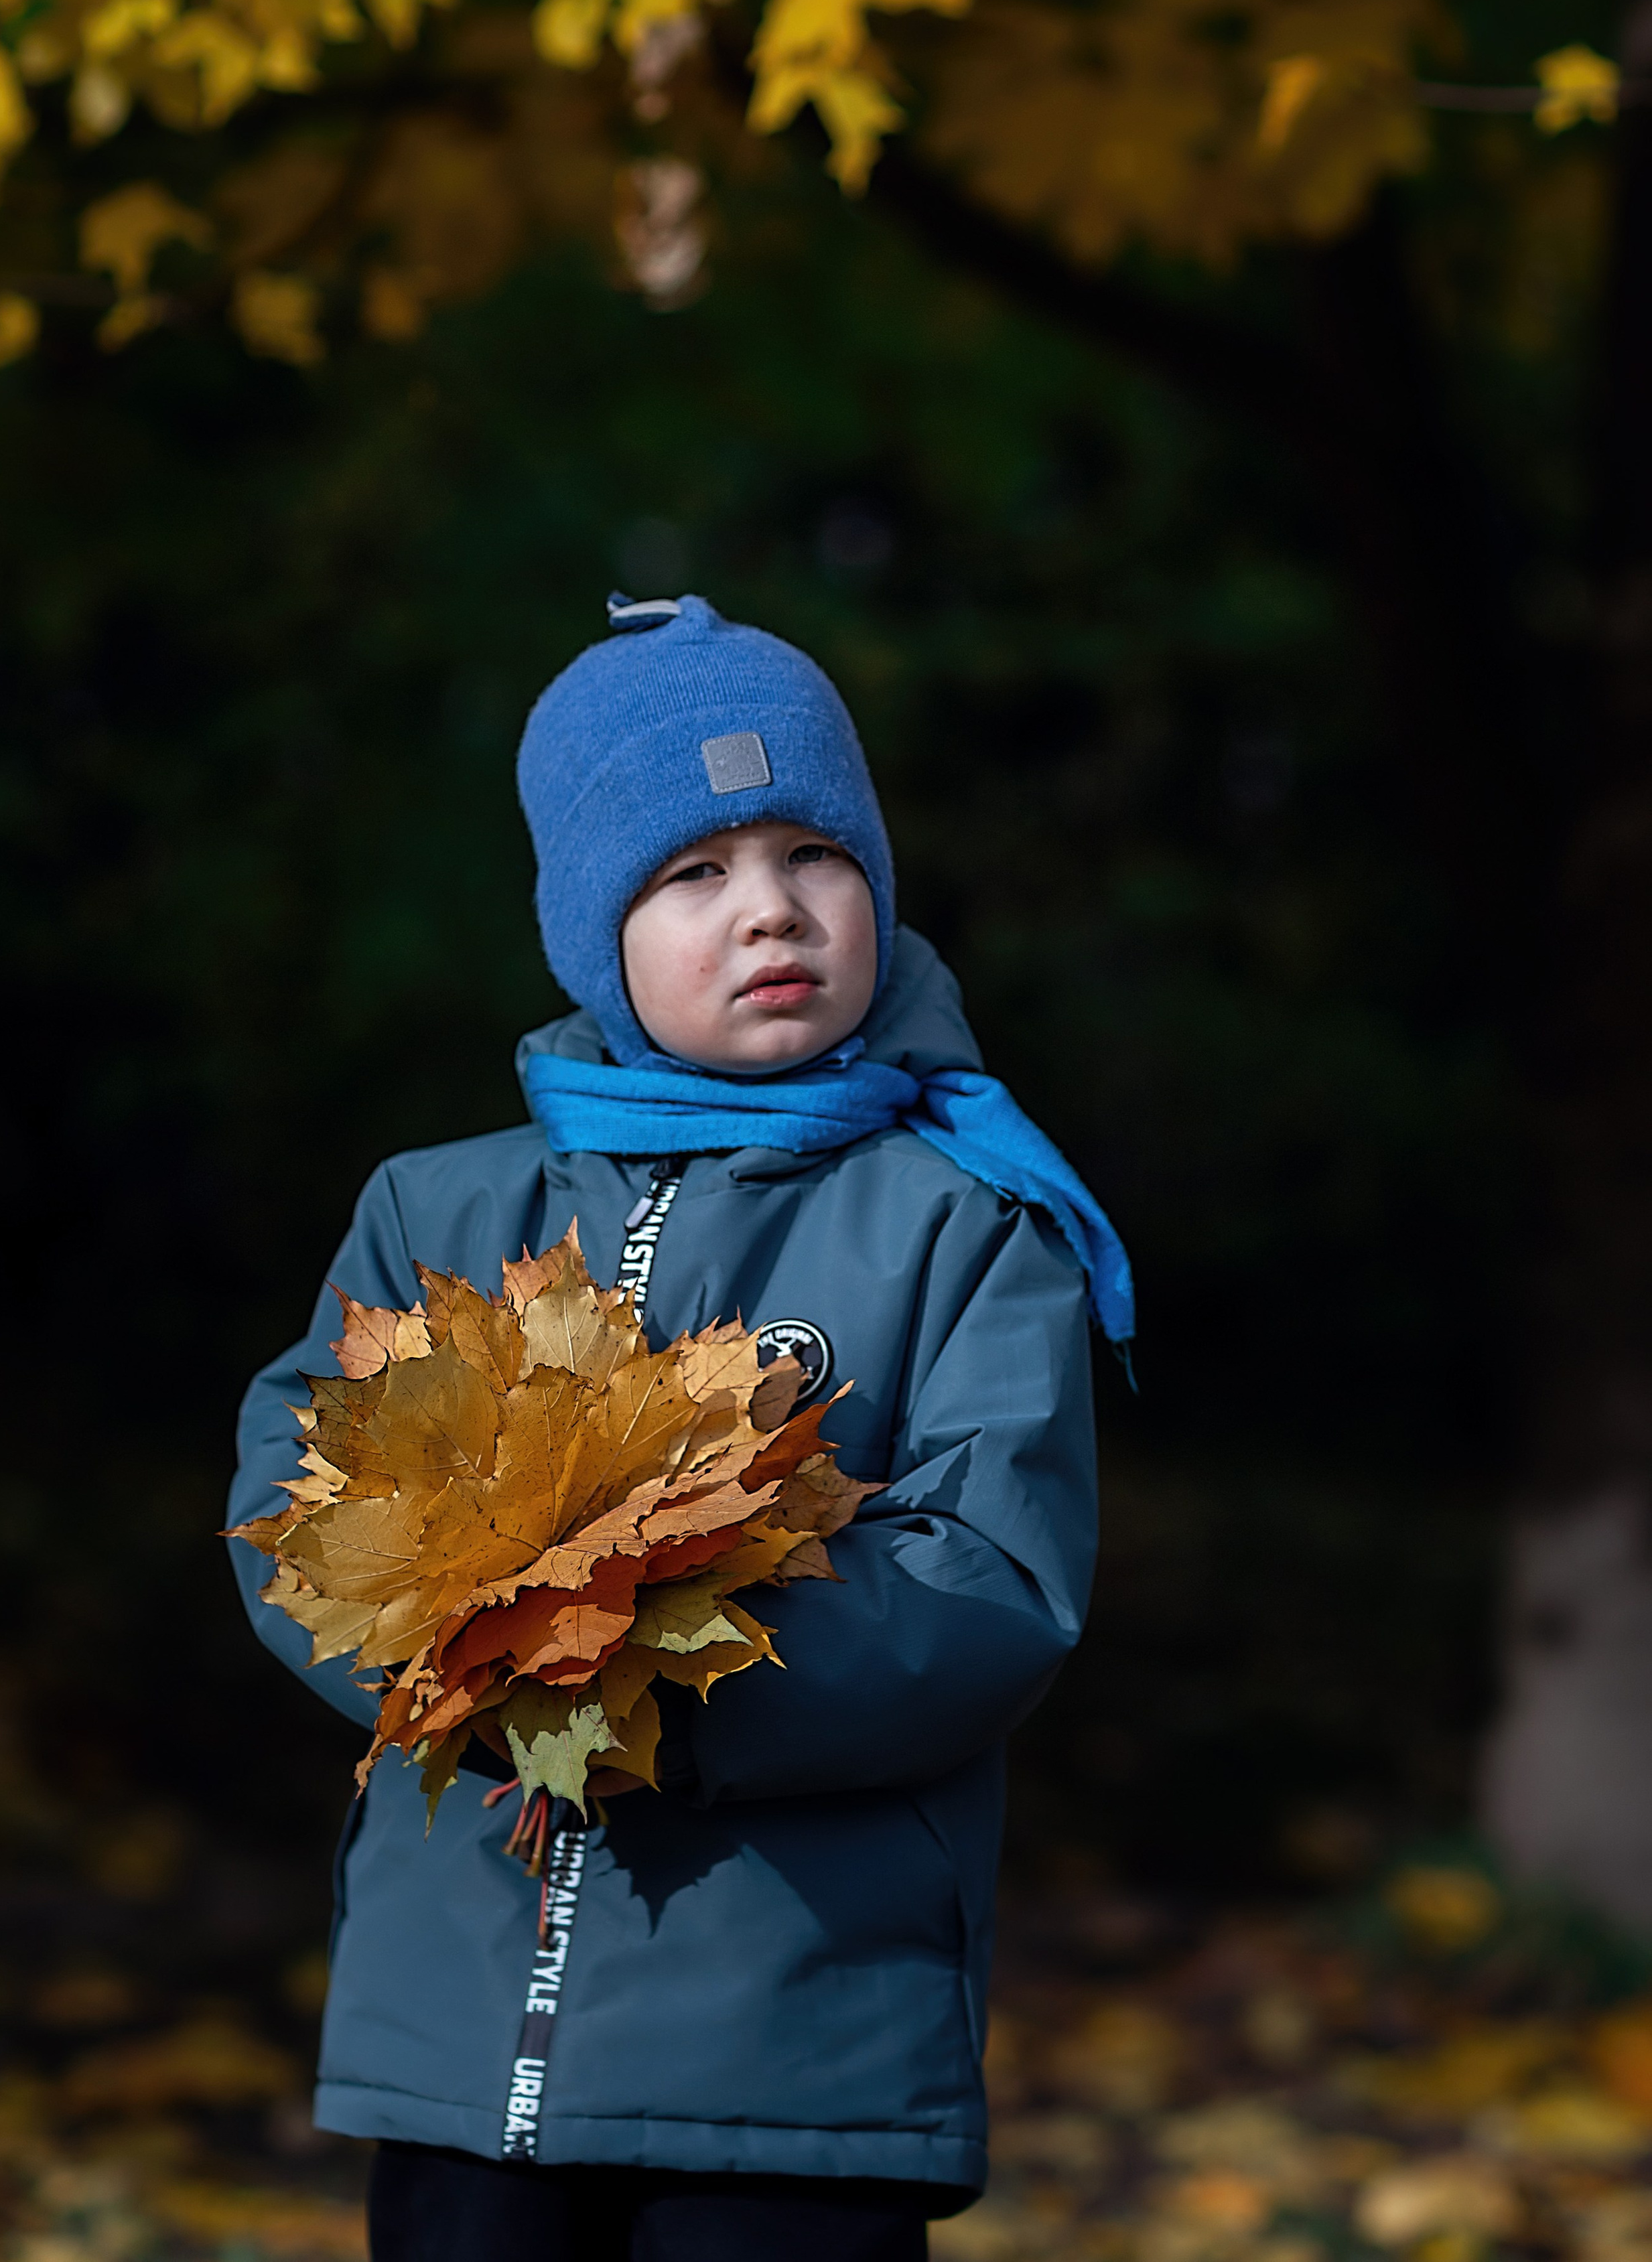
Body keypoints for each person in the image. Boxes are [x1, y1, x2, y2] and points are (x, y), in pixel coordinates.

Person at [226, 593, 1129, 2262]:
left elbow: (990, 1580)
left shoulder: (964, 1224)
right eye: (691, 874)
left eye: (815, 854)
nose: (770, 911)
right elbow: (300, 1500)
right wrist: (476, 1673)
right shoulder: (436, 1208)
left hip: (796, 2047)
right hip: (457, 2051)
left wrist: (648, 1680)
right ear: (591, 931)